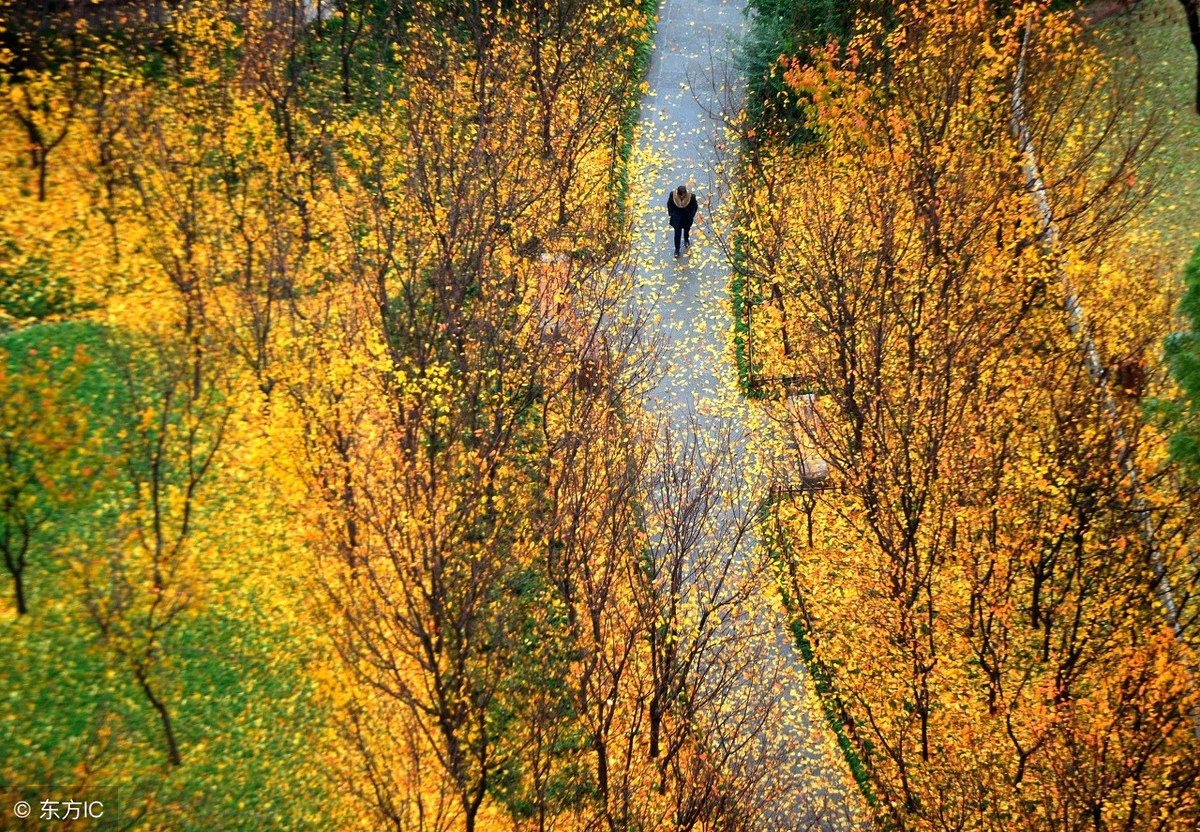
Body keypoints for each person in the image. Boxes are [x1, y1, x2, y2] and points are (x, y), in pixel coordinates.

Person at [666, 184, 699, 258]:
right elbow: (669, 204)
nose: (682, 197)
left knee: (686, 230)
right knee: (677, 234)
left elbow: (695, 206)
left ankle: (686, 239)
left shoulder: (691, 197)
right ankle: (677, 249)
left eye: (683, 195)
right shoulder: (672, 195)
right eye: (680, 195)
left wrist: (691, 215)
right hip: (676, 219)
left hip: (687, 218)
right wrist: (671, 213)